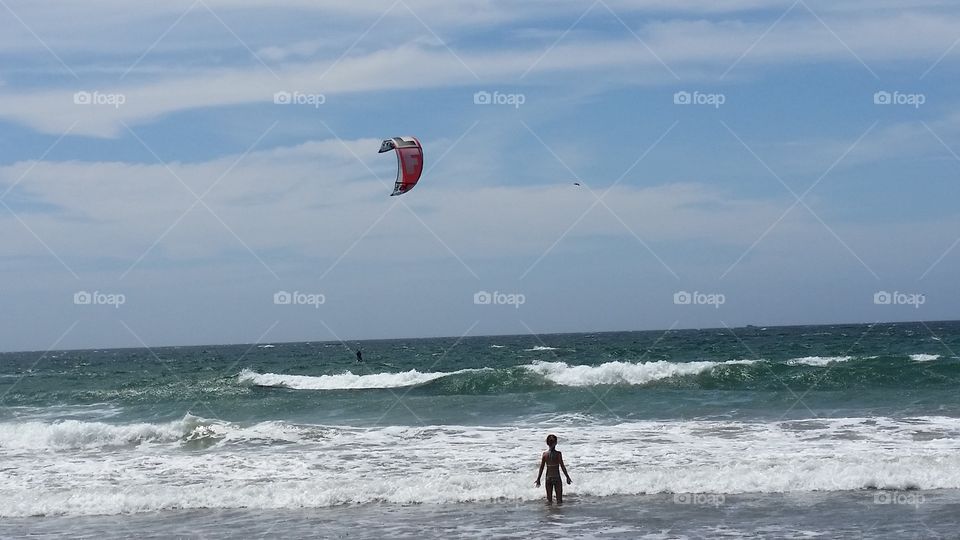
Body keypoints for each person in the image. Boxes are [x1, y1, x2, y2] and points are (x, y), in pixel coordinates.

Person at [534, 434, 572, 503]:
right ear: (556, 443)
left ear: (547, 443)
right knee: (559, 500)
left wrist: (538, 479)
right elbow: (562, 466)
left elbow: (541, 467)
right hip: (557, 478)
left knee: (549, 500)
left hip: (548, 478)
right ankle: (558, 513)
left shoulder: (545, 454)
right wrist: (567, 477)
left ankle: (550, 513)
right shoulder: (558, 454)